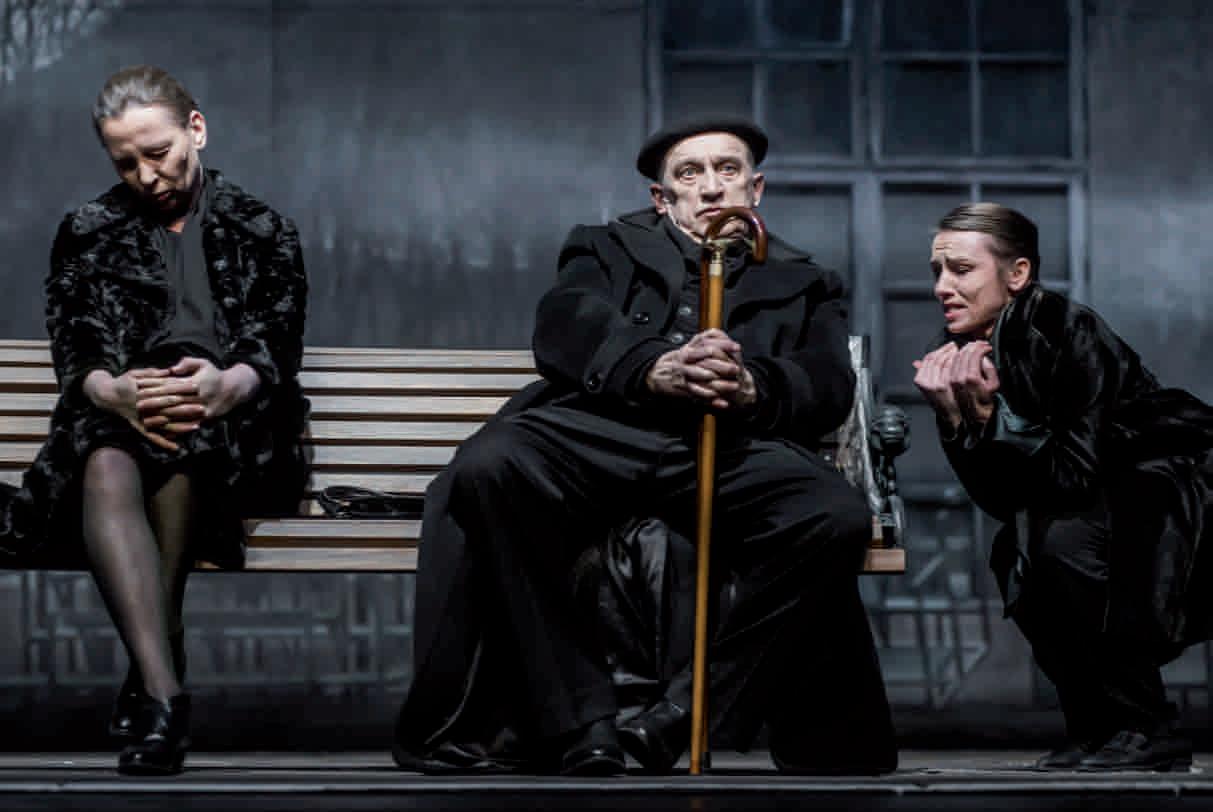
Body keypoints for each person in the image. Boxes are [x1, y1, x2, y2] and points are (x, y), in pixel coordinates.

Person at [392, 117, 897, 776]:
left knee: (832, 516)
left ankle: (684, 714)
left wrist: (754, 386)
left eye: (727, 170)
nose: (710, 187)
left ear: (755, 188)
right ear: (662, 198)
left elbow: (826, 380)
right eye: (690, 173)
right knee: (492, 466)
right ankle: (581, 722)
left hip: (726, 442)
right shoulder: (604, 247)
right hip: (606, 430)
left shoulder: (804, 279)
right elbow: (565, 324)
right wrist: (651, 366)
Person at [0, 65, 309, 775]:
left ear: (195, 129)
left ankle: (148, 676)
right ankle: (167, 696)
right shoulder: (88, 230)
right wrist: (107, 389)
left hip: (236, 419)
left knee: (184, 438)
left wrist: (229, 383)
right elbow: (75, 337)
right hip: (122, 413)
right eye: (126, 163)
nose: (147, 176)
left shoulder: (262, 228)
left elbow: (276, 341)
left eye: (159, 152)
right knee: (111, 459)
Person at [913, 202, 1213, 772]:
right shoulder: (968, 350)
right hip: (1095, 499)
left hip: (1169, 489)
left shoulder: (1067, 329)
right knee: (1017, 552)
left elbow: (1077, 471)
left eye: (961, 269)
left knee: (1060, 546)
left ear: (1017, 273)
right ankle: (1098, 729)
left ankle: (1149, 727)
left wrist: (991, 418)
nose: (942, 287)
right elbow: (999, 500)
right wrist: (957, 419)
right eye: (937, 271)